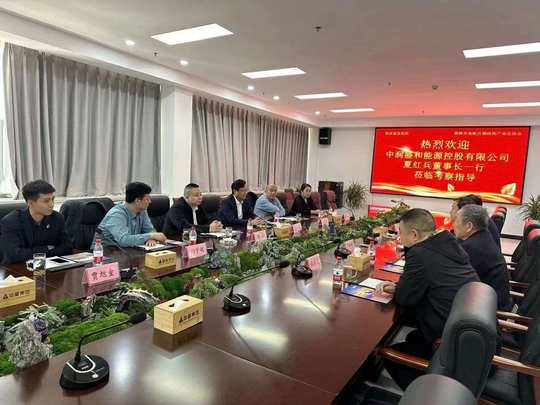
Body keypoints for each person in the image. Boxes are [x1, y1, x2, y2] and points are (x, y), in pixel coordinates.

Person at [375, 208, 479, 390]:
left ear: (414, 234)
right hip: (471, 339)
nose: (400, 238)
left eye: (401, 233)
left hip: (451, 348)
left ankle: (426, 394)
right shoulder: (448, 242)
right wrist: (400, 288)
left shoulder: (419, 253)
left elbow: (406, 298)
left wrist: (400, 290)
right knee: (412, 337)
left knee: (387, 354)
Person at [454, 205, 512, 311]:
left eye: (456, 220)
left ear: (469, 226)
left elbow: (457, 281)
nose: (453, 224)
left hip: (489, 309)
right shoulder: (483, 237)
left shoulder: (471, 247)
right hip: (490, 298)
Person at [0, 180, 73, 264]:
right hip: (18, 268)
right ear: (30, 203)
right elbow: (14, 255)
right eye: (46, 201)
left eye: (52, 199)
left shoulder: (57, 218)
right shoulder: (11, 222)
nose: (52, 204)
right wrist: (48, 248)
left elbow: (67, 247)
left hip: (49, 266)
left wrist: (33, 252)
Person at [96, 182, 166, 247]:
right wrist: (150, 236)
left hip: (127, 250)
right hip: (105, 251)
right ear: (137, 201)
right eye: (147, 199)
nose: (150, 202)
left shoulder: (142, 210)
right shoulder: (116, 214)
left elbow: (150, 230)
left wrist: (151, 239)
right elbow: (124, 240)